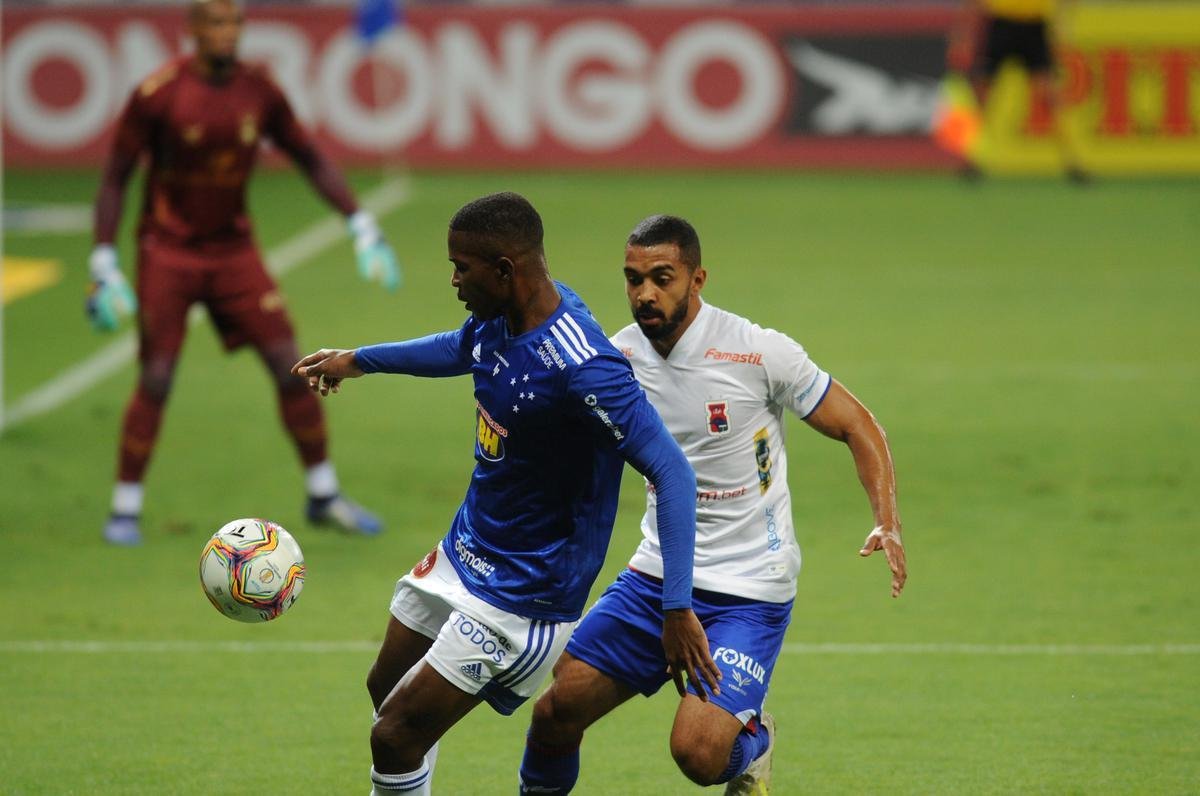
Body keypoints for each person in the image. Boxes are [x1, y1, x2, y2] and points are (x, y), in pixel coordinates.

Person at [291, 193, 721, 795]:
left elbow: (672, 473)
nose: (453, 280)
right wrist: (357, 361)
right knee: (386, 693)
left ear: (504, 271)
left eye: (461, 268)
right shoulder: (503, 316)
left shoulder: (585, 369)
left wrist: (677, 608)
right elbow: (460, 347)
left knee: (393, 735)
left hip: (523, 596)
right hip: (464, 552)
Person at [519, 215, 908, 795]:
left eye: (662, 277)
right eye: (633, 279)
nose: (644, 293)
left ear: (697, 279)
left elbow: (858, 426)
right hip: (657, 575)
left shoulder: (758, 352)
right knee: (556, 713)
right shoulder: (617, 358)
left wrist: (888, 522)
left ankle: (756, 744)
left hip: (749, 588)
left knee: (699, 754)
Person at [88, 0, 398, 545]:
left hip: (234, 252)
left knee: (291, 365)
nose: (227, 33)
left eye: (234, 23)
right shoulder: (158, 95)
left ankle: (324, 495)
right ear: (193, 29)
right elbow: (114, 178)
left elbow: (308, 155)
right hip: (168, 252)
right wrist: (103, 260)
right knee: (156, 376)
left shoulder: (259, 89)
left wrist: (361, 222)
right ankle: (124, 508)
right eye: (215, 23)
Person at [947, 0, 1088, 181]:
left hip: (1034, 26)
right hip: (1002, 24)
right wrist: (963, 28)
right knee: (982, 96)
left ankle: (1073, 161)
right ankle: (972, 159)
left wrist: (1062, 20)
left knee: (1049, 95)